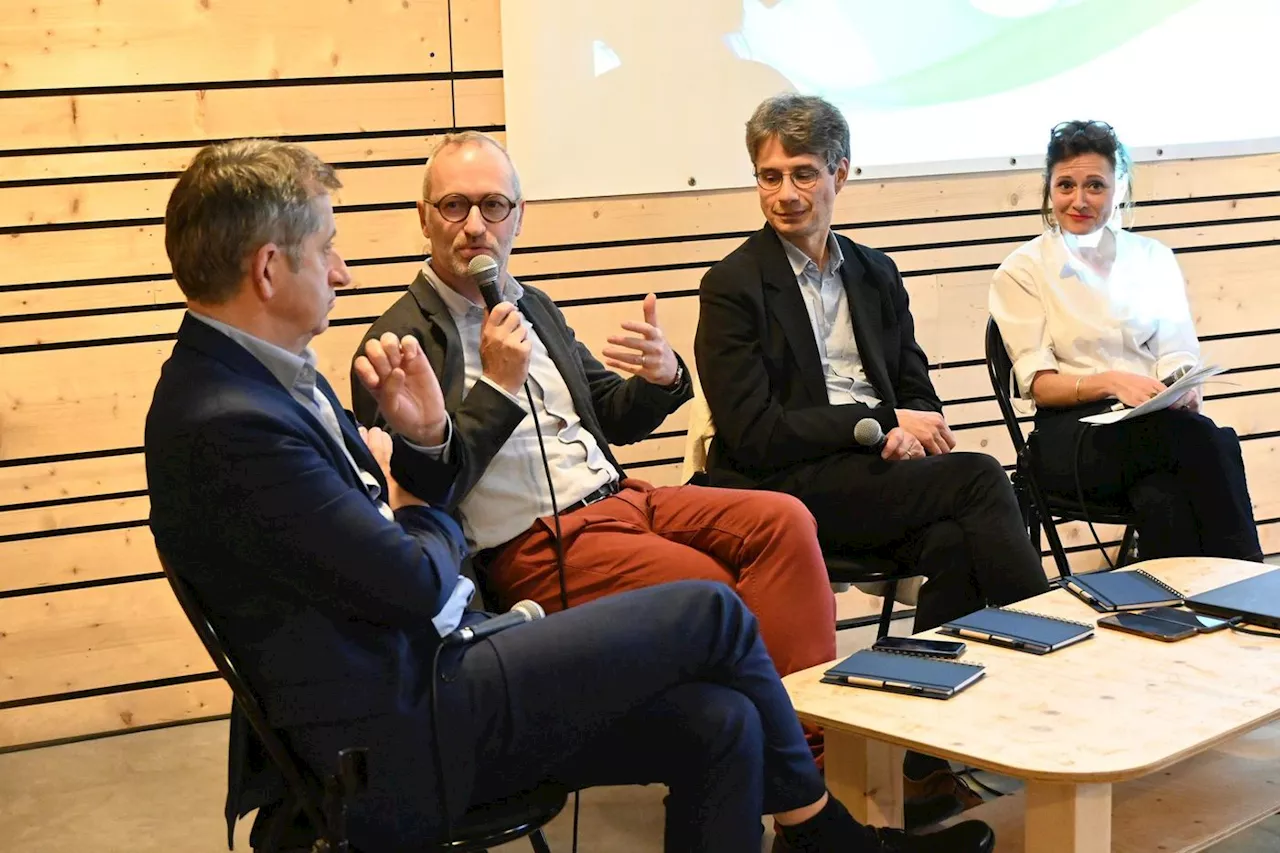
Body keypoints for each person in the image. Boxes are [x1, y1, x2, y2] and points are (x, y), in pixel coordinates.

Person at [144, 138, 994, 853]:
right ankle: (825, 832)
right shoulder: (247, 411)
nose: (345, 268)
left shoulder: (278, 374)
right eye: (328, 245)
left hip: (509, 594)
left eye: (495, 206)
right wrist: (428, 477)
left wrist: (662, 380)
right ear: (266, 268)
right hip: (411, 713)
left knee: (725, 713)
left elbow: (562, 433)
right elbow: (414, 571)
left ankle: (813, 813)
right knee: (709, 611)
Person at [349, 133, 837, 693]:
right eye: (455, 206)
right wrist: (499, 386)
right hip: (537, 544)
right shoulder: (395, 345)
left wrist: (661, 378)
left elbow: (610, 414)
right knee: (716, 592)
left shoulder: (531, 304)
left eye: (494, 206)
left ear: (518, 217)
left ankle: (802, 750)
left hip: (627, 499)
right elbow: (420, 493)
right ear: (425, 217)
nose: (476, 226)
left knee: (787, 523)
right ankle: (800, 763)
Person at [693, 93, 1051, 823]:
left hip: (875, 480)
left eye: (801, 173)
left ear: (840, 174)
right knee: (982, 477)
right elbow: (755, 433)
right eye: (768, 176)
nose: (784, 193)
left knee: (955, 541)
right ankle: (1057, 675)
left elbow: (915, 384)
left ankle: (920, 758)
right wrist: (875, 424)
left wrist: (910, 430)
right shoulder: (732, 286)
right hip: (784, 492)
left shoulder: (876, 272)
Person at [990, 120, 1261, 562]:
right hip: (1069, 437)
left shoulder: (1152, 258)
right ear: (1048, 191)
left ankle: (1175, 614)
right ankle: (1250, 590)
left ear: (1120, 188)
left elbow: (1177, 351)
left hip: (1155, 429)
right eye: (1065, 186)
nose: (1078, 200)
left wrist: (1183, 385)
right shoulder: (1021, 271)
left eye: (1095, 185)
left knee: (1162, 496)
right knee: (1212, 441)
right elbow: (1039, 384)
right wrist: (1112, 382)